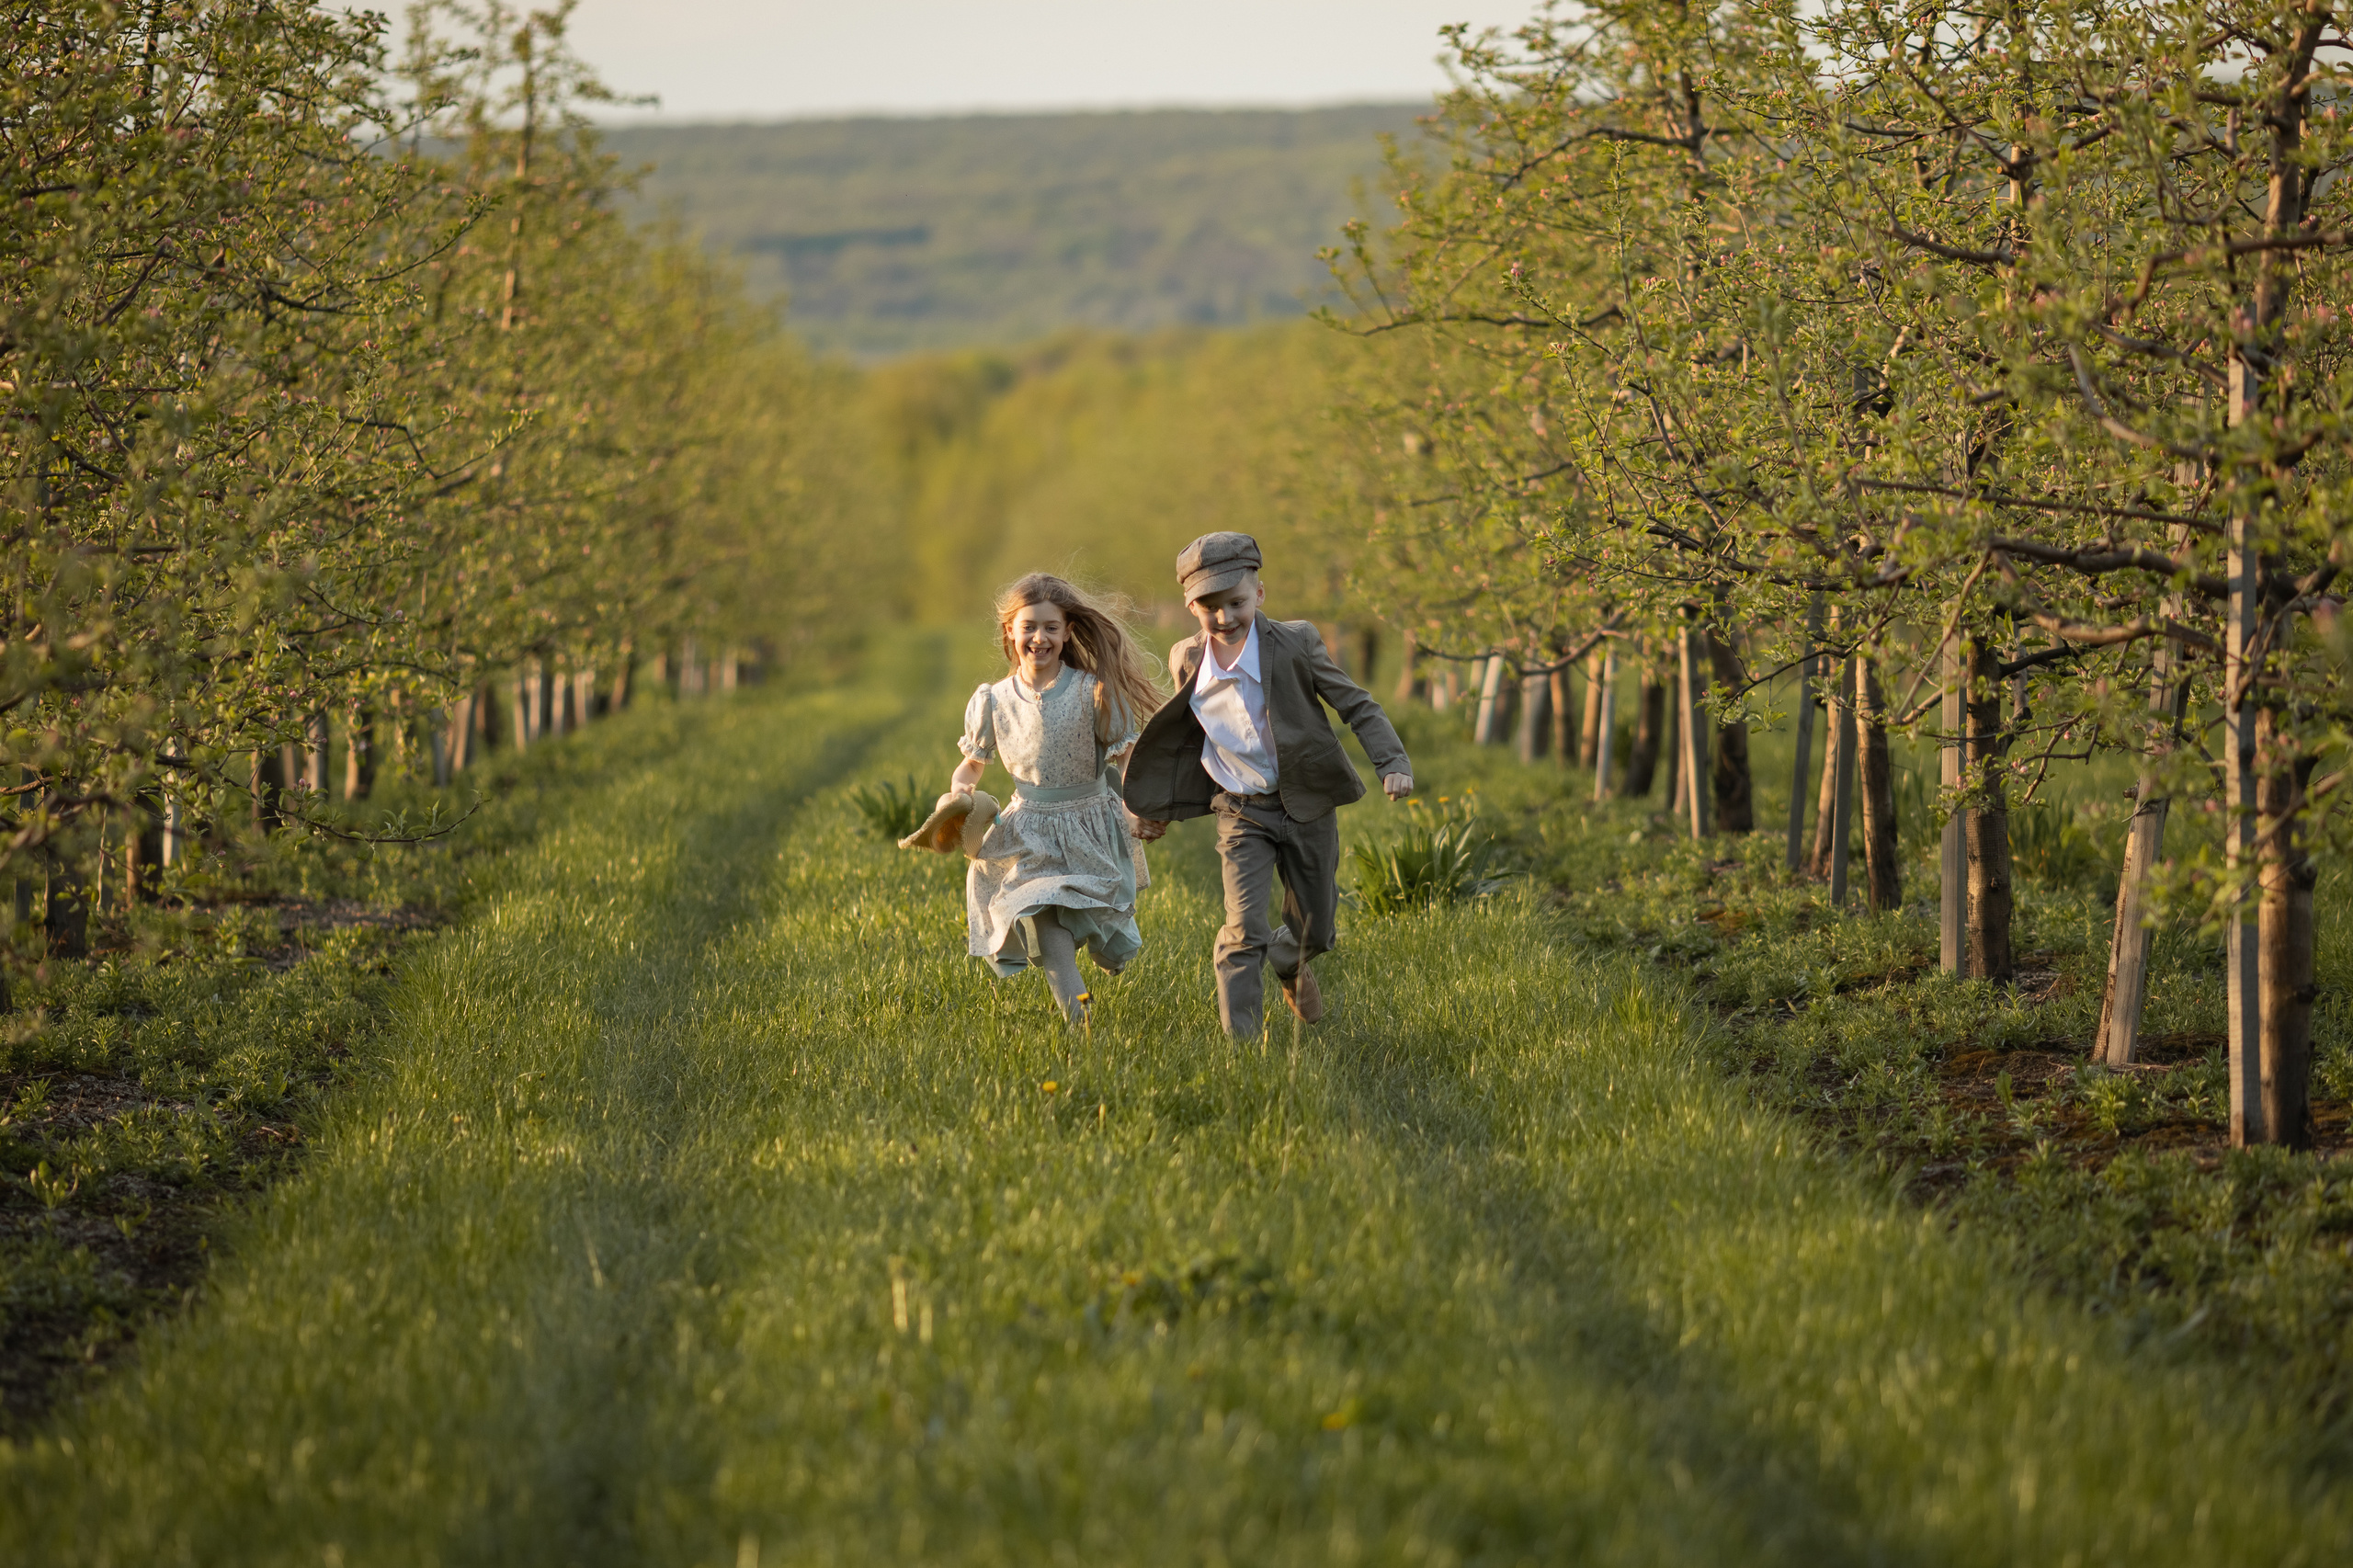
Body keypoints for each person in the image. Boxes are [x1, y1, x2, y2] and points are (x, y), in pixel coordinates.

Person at [1124, 533, 1412, 1035]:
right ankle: (1243, 1045)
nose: (1224, 617)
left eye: (1235, 602)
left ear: (1258, 594)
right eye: (1209, 607)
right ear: (1191, 606)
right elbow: (1183, 739)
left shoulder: (1296, 642)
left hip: (1308, 801)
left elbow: (1356, 704)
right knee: (1243, 930)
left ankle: (1289, 959)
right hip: (1240, 809)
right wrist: (1154, 807)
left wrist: (1390, 761)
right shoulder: (1187, 659)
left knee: (1317, 929)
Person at [942, 574, 1164, 1028]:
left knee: (1108, 936)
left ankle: (1107, 949)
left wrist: (1137, 808)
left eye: (1050, 627)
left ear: (1066, 633)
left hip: (1090, 822)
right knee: (1047, 924)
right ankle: (1078, 1024)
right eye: (1028, 627)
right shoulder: (993, 700)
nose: (1038, 637)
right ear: (1010, 631)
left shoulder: (1094, 691)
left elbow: (1126, 759)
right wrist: (960, 790)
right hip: (1030, 829)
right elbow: (972, 763)